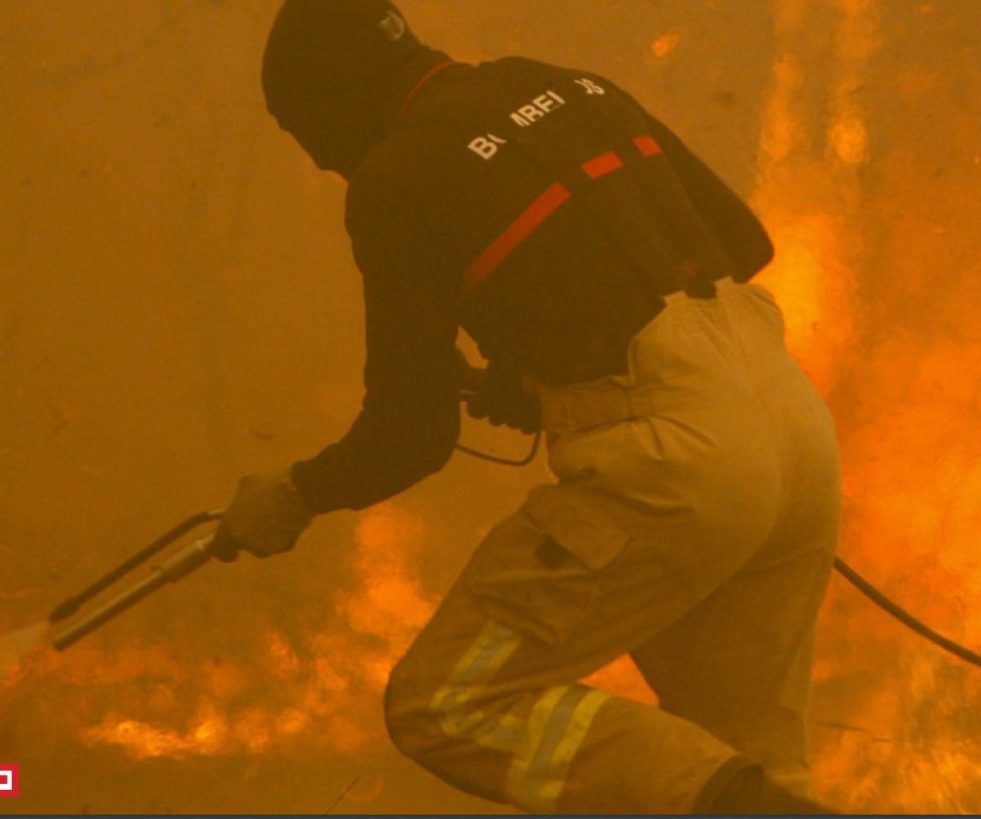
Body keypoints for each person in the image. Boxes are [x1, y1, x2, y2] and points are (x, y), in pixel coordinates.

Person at [211, 0, 842, 813]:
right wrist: (545, 368)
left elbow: (412, 431)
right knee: (752, 760)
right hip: (794, 426)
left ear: (333, 97)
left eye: (308, 134)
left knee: (445, 702)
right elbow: (744, 241)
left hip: (676, 466)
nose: (326, 162)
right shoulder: (565, 85)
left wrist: (297, 495)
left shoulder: (394, 178)